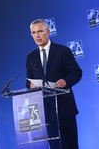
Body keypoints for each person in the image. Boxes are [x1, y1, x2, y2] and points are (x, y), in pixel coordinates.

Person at [26, 19, 82, 149]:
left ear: (48, 32)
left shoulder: (62, 51)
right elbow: (28, 80)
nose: (37, 35)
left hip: (64, 108)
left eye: (40, 31)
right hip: (44, 111)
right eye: (34, 32)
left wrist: (66, 81)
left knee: (70, 145)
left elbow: (76, 72)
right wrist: (30, 85)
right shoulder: (31, 57)